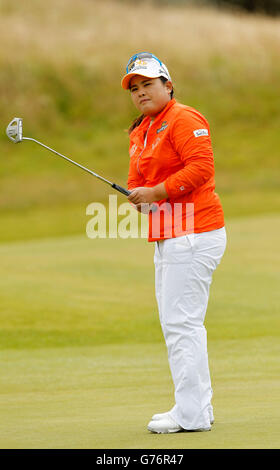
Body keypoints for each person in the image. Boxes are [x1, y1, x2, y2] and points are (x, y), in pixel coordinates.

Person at [121, 52, 227, 433]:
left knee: (182, 324)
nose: (141, 93)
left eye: (148, 84)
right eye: (135, 88)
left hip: (195, 232)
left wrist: (156, 192)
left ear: (168, 84)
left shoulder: (184, 118)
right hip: (169, 235)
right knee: (178, 324)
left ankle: (192, 414)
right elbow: (140, 183)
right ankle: (198, 407)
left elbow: (201, 169)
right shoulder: (140, 131)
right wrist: (143, 199)